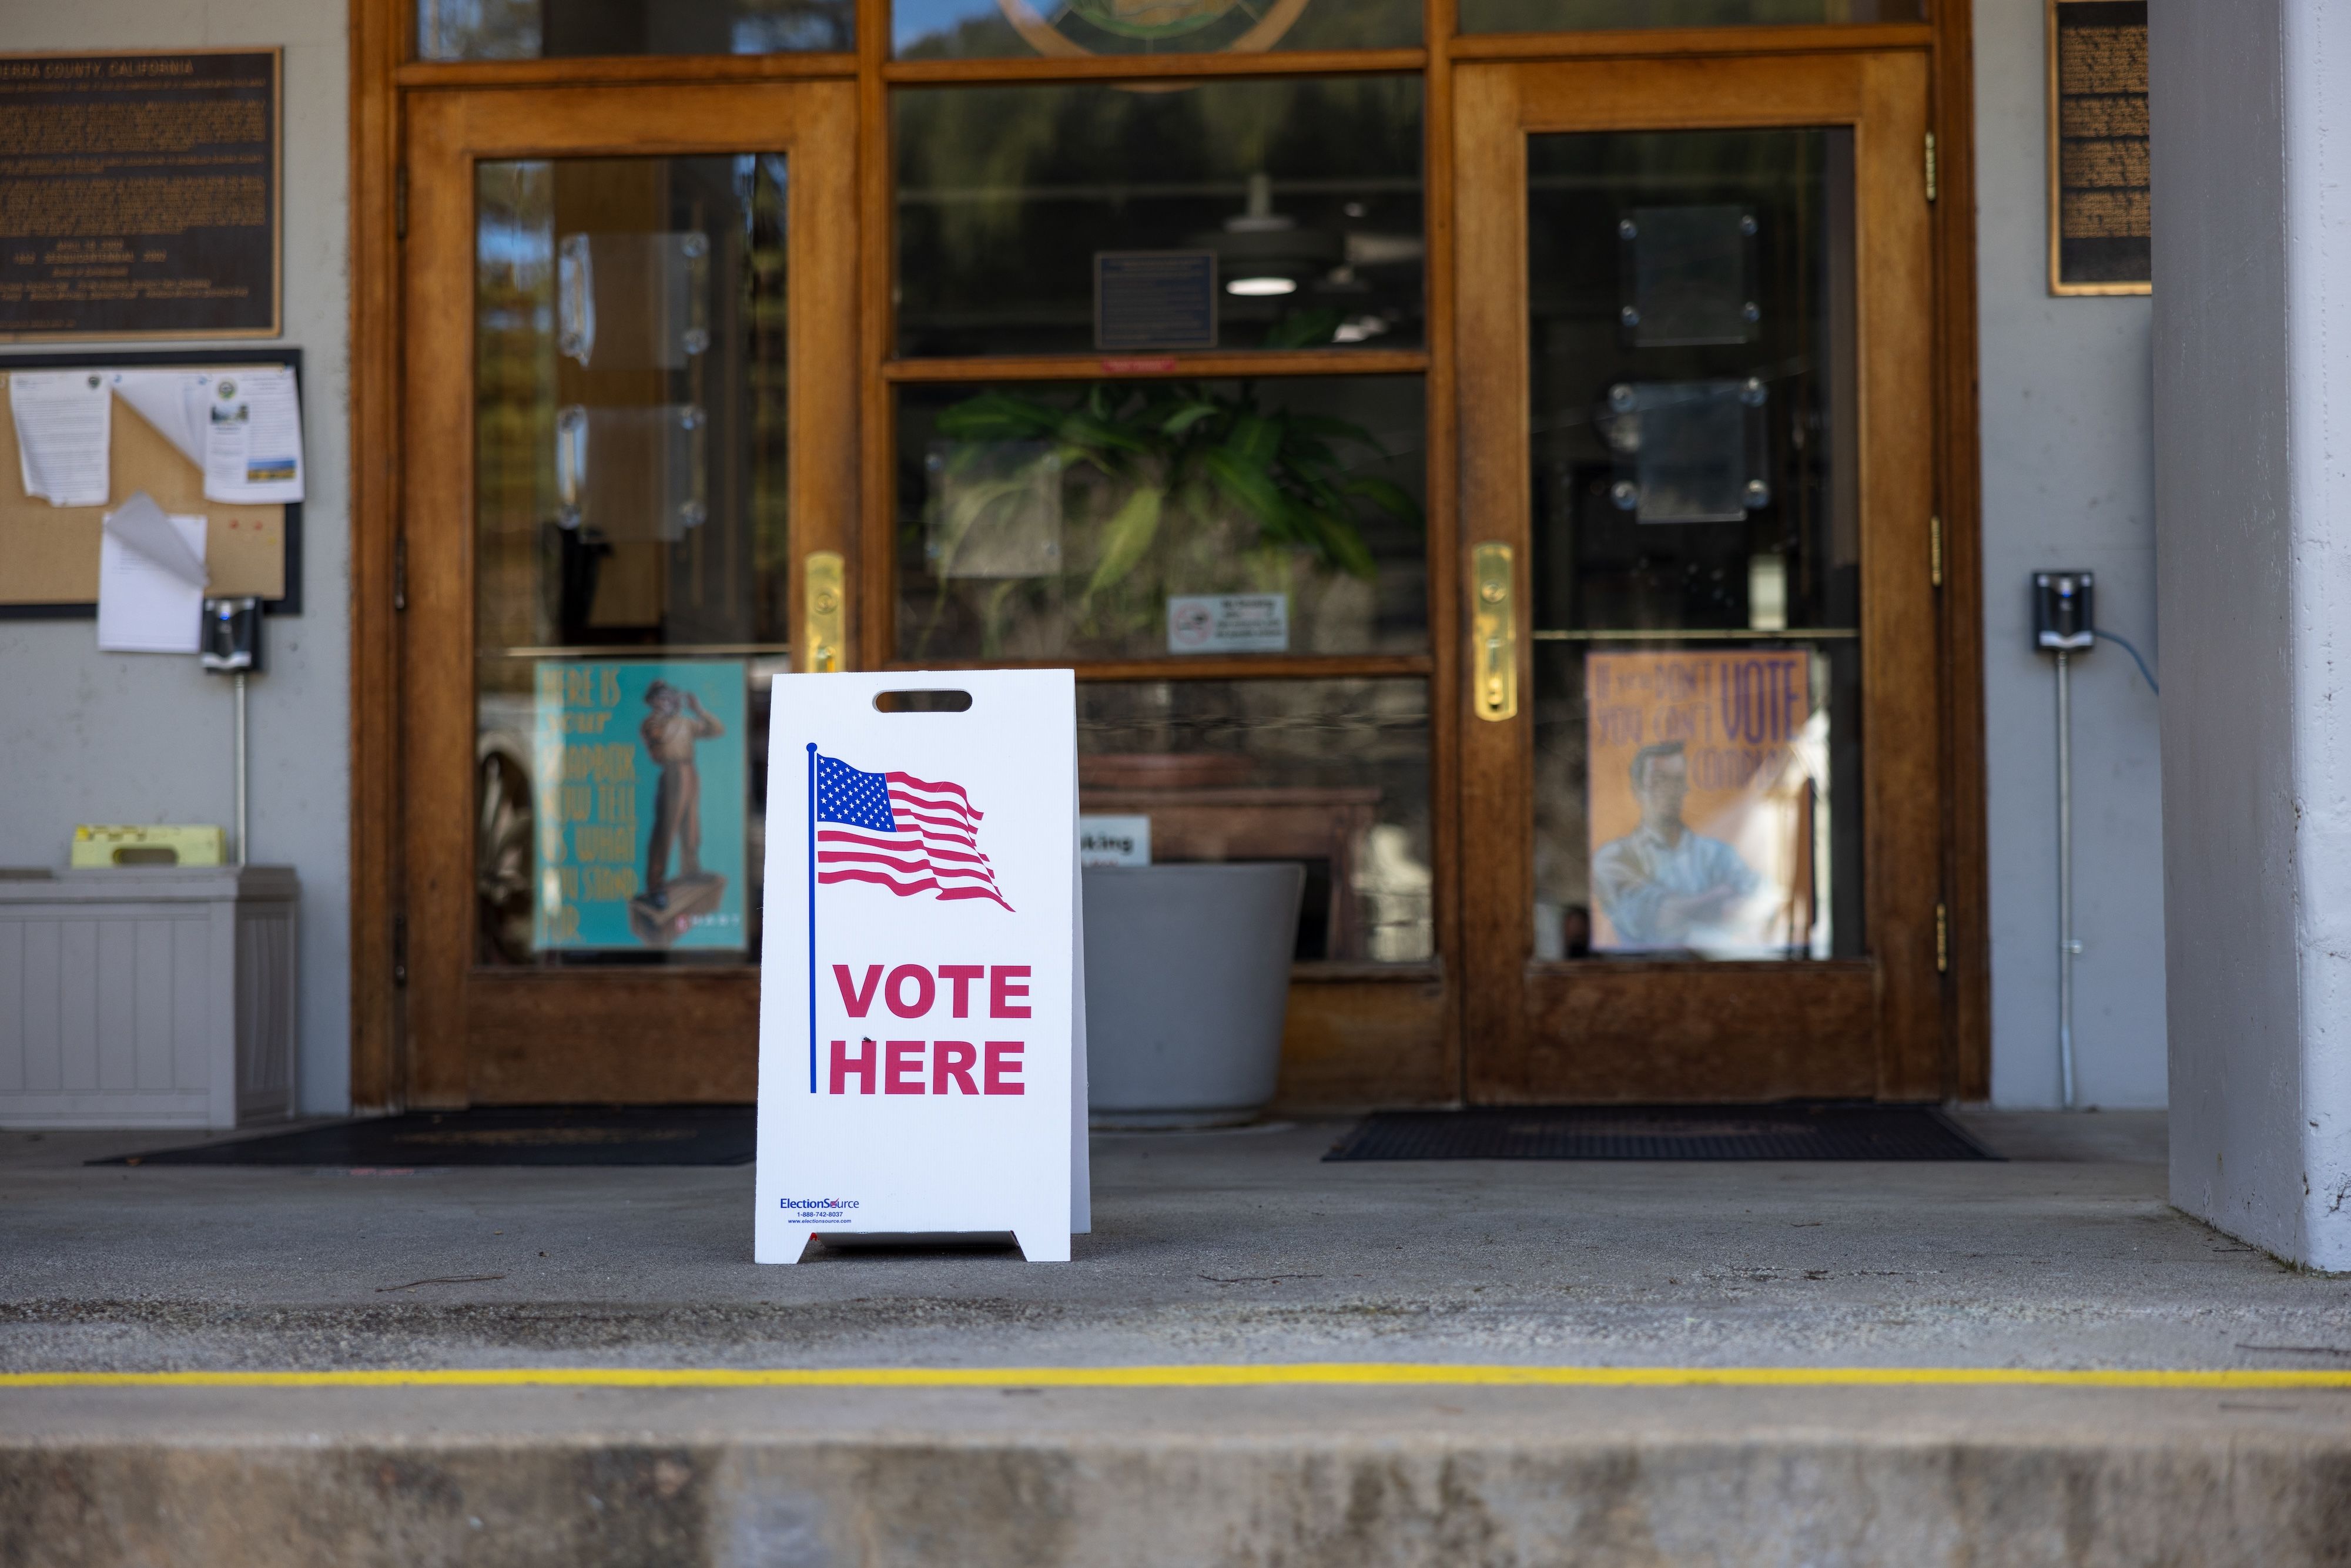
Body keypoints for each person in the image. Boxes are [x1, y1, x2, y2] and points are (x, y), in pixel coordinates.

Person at [1591, 739, 1760, 949]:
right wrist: (1715, 898)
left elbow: (1757, 905)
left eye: (1677, 781)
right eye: (1659, 781)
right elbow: (1651, 917)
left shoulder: (1718, 855)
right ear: (1637, 789)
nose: (1669, 791)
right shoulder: (1613, 858)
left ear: (1685, 789)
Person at [639, 679, 724, 911]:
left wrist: (698, 710)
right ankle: (655, 885)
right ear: (655, 701)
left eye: (671, 697)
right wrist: (674, 713)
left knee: (691, 826)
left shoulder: (683, 721)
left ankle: (691, 870)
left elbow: (716, 730)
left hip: (689, 771)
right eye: (664, 697)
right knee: (666, 832)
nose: (669, 701)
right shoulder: (653, 723)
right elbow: (662, 739)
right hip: (672, 773)